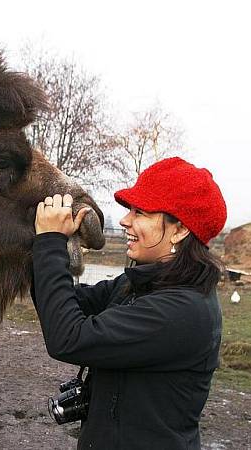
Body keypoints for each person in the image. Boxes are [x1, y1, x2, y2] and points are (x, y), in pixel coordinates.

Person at [32, 157, 226, 450]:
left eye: (140, 212)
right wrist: (38, 247)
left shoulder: (182, 311)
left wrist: (49, 243)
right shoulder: (141, 284)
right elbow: (64, 303)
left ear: (180, 229)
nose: (125, 220)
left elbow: (68, 337)